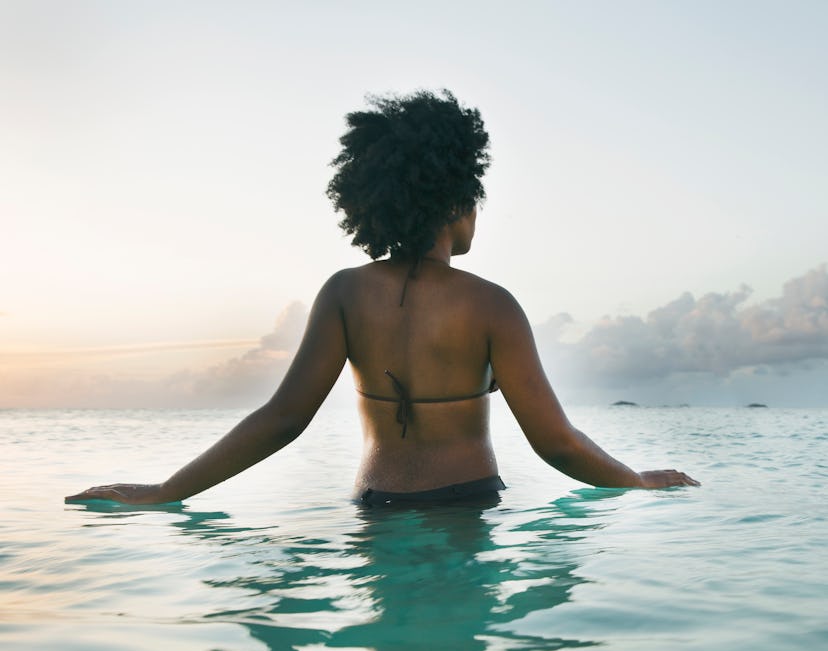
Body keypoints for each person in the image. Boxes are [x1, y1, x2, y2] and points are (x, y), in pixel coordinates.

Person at [66, 91, 698, 507]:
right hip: (466, 503)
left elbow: (283, 419)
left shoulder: (344, 293)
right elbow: (554, 441)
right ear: (454, 202)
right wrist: (636, 480)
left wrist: (169, 490)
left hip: (376, 507)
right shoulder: (493, 307)